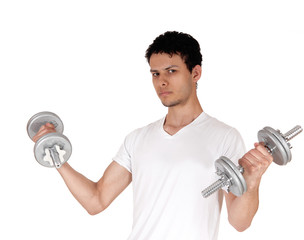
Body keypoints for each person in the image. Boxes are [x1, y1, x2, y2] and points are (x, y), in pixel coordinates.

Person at [33, 31, 273, 240]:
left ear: (196, 73)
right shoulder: (137, 139)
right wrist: (54, 155)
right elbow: (96, 201)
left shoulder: (224, 136)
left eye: (171, 71)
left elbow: (239, 223)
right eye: (155, 74)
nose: (162, 82)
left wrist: (252, 182)